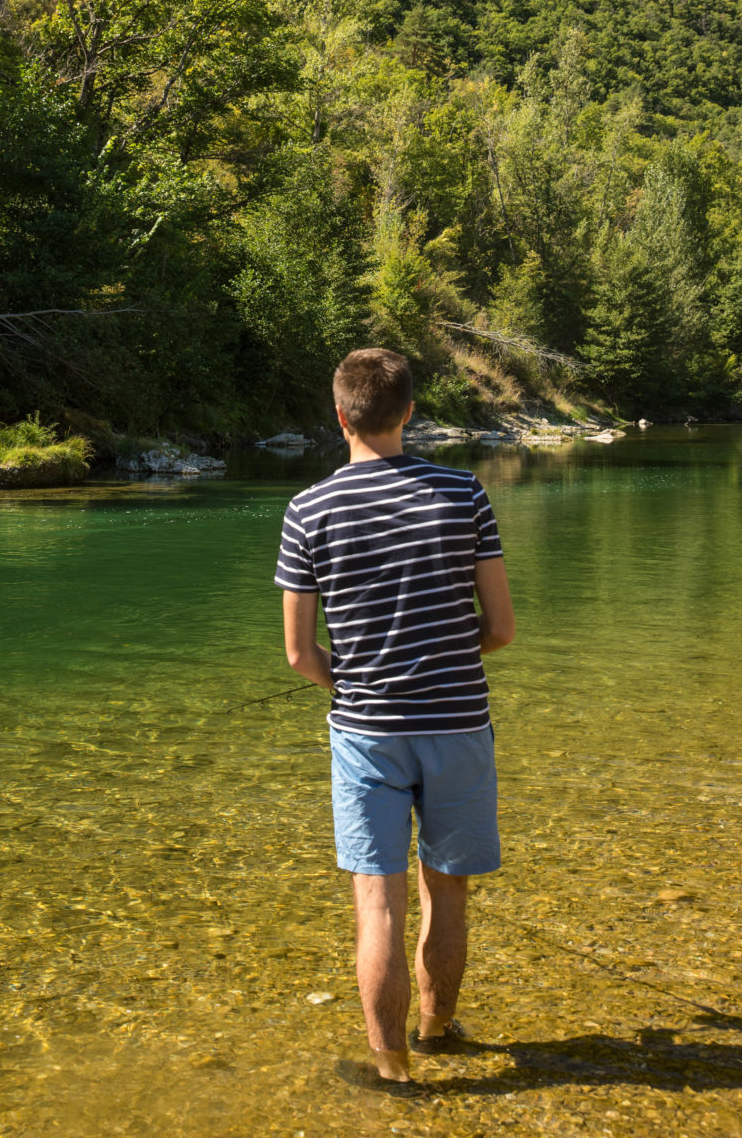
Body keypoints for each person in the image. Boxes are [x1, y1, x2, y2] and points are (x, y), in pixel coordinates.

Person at [275, 347, 515, 1090]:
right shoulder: (464, 493)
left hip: (367, 732)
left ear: (340, 417)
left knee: (376, 902)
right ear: (410, 412)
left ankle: (392, 1068)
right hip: (458, 726)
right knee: (447, 891)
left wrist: (359, 686)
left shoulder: (308, 510)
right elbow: (501, 628)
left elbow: (298, 653)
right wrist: (441, 660)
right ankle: (438, 1028)